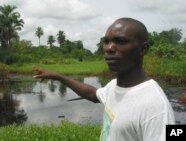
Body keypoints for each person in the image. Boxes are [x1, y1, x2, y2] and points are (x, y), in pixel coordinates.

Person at [32, 17, 175, 141]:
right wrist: (56, 76)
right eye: (106, 42)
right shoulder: (114, 86)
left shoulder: (156, 106)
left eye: (120, 41)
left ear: (143, 49)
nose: (109, 48)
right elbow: (93, 94)